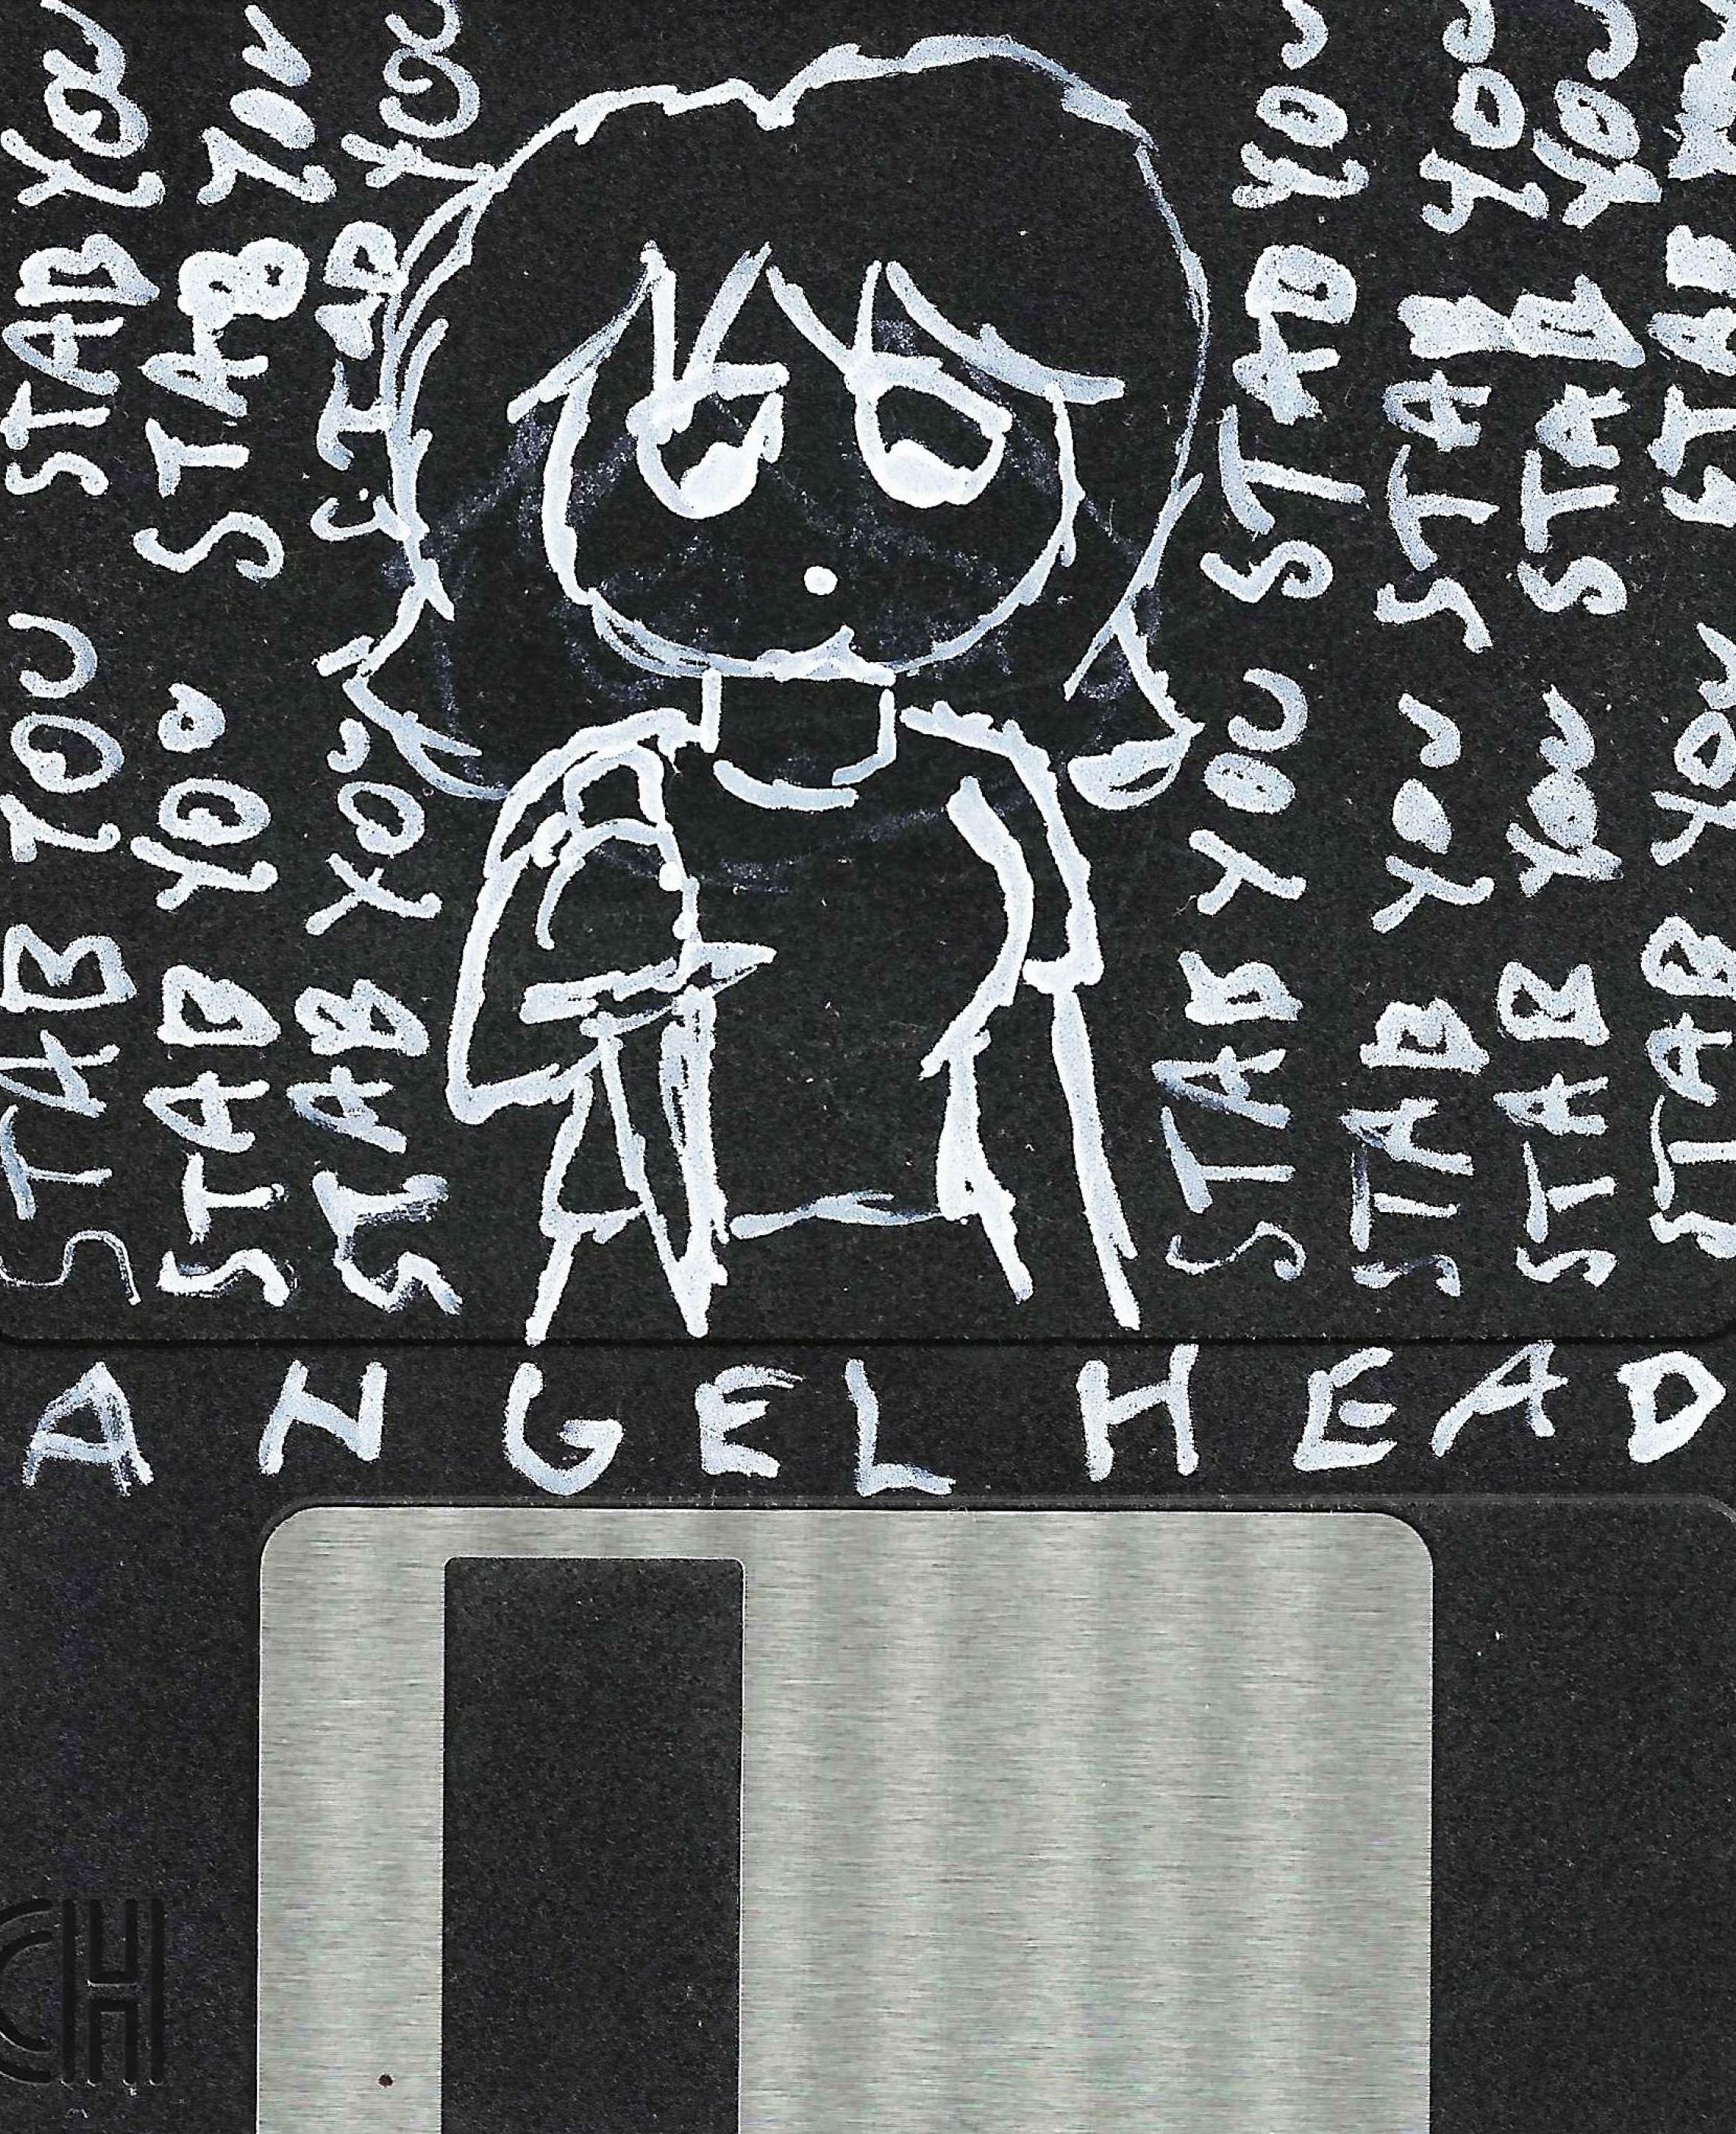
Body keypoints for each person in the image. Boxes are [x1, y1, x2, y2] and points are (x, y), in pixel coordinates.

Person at [343, 36, 1210, 1341]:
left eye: (932, 442)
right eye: (700, 448)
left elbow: (1042, 1089)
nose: (815, 550)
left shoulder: (987, 794)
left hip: (934, 1276)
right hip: (646, 1296)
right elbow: (486, 1069)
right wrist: (603, 987)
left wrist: (1097, 1338)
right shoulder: (601, 801)